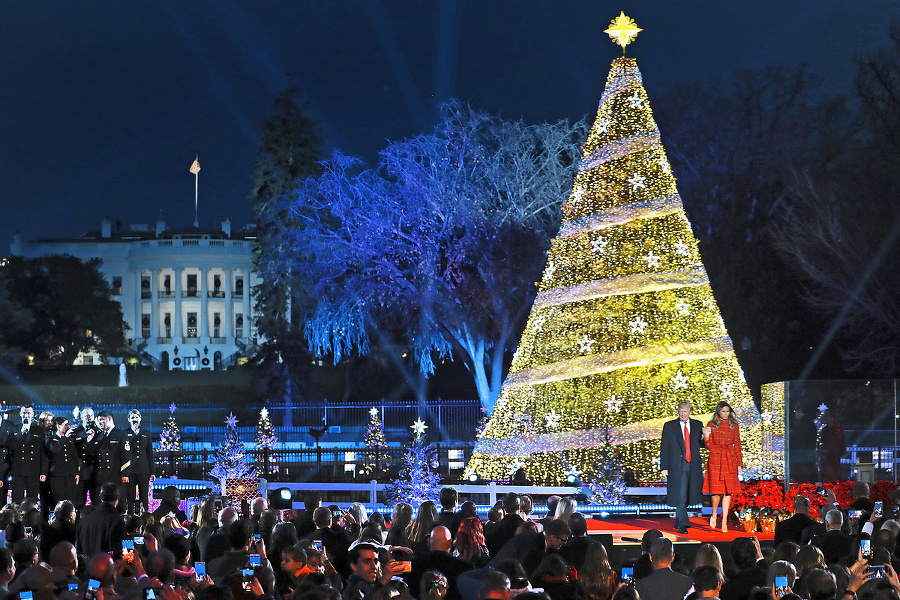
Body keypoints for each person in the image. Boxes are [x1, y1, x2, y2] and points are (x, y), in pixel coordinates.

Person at [660, 401, 705, 534]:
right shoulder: (669, 426)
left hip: (693, 464)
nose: (683, 414)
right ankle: (683, 524)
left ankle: (679, 520)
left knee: (688, 493)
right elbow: (664, 447)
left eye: (685, 411)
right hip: (676, 465)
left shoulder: (697, 425)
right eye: (681, 411)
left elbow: (702, 444)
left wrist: (707, 435)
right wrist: (664, 467)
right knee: (680, 493)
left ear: (690, 412)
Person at [702, 401, 743, 533]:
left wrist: (739, 464)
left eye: (728, 411)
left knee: (728, 491)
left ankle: (724, 520)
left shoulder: (734, 425)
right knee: (716, 492)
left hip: (730, 459)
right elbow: (709, 445)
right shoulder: (711, 424)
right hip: (716, 458)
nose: (726, 414)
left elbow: (737, 445)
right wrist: (707, 437)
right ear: (718, 411)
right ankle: (714, 514)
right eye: (723, 411)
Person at [85, 410, 130, 507]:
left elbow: (126, 456)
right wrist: (90, 441)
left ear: (109, 419)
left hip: (115, 476)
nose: (100, 422)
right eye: (99, 420)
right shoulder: (98, 436)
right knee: (99, 504)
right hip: (101, 476)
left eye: (102, 420)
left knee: (117, 504)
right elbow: (91, 454)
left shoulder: (120, 435)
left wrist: (125, 474)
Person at [7, 404, 48, 504]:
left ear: (32, 414)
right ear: (20, 414)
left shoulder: (39, 429)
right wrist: (21, 433)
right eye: (24, 413)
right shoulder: (14, 427)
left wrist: (43, 471)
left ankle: (31, 519)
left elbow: (43, 451)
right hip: (18, 470)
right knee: (16, 500)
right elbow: (11, 446)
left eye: (28, 413)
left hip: (33, 470)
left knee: (32, 500)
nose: (26, 416)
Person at [47, 416, 81, 510]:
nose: (67, 426)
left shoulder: (70, 439)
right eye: (65, 424)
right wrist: (64, 438)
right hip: (57, 475)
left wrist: (77, 472)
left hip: (70, 475)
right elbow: (55, 449)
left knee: (71, 501)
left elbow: (75, 457)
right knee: (58, 501)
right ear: (58, 426)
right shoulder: (51, 439)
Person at [123, 408, 154, 513]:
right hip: (130, 469)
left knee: (144, 495)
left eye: (136, 417)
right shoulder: (125, 433)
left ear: (140, 419)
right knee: (130, 496)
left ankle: (145, 515)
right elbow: (125, 450)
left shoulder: (146, 433)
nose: (135, 419)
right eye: (132, 418)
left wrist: (152, 471)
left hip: (143, 468)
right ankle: (130, 517)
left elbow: (150, 453)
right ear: (129, 420)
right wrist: (134, 435)